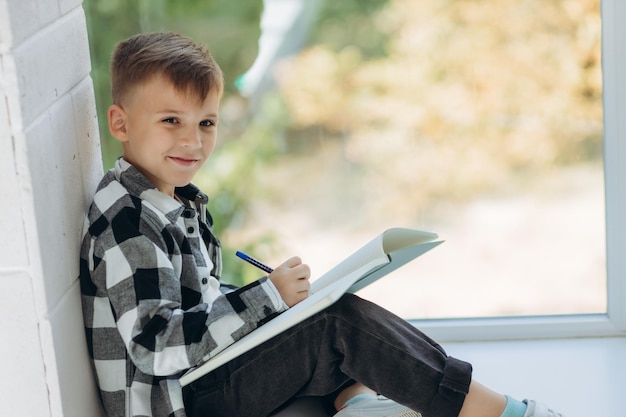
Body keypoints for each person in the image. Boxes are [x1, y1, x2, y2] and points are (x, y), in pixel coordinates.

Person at [79, 31, 565, 417]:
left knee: (326, 311)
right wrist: (264, 298)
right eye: (171, 121)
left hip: (196, 379)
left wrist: (275, 310)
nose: (193, 141)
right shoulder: (130, 222)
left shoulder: (165, 197)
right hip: (176, 401)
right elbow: (155, 346)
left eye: (206, 123)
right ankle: (498, 414)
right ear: (120, 123)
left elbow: (196, 302)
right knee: (335, 325)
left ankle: (357, 403)